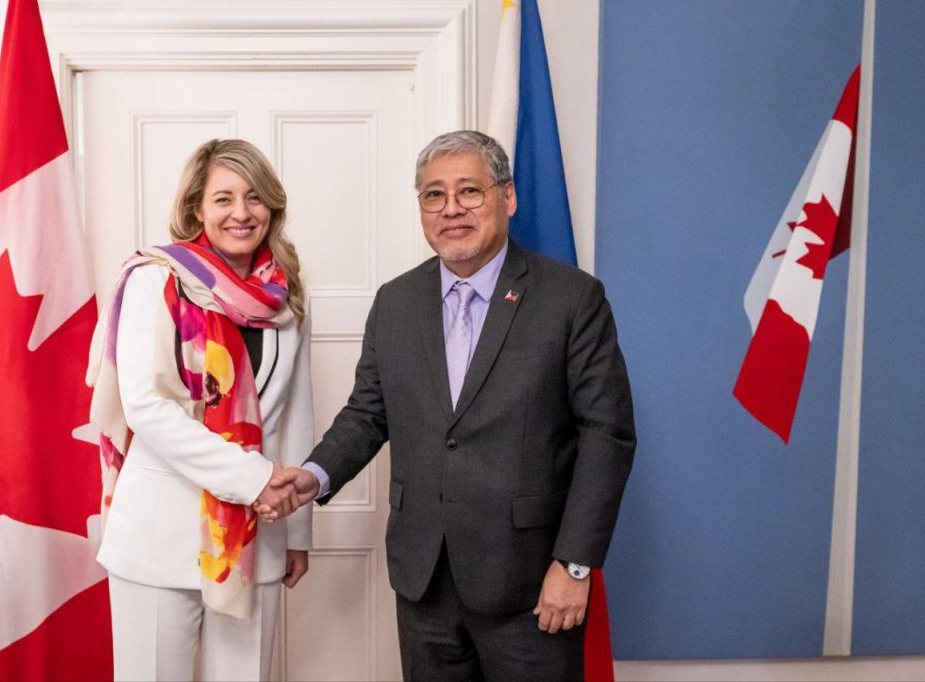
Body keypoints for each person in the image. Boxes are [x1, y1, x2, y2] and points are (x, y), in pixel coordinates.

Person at [262, 130, 636, 680]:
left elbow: (606, 436)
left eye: (469, 191)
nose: (451, 208)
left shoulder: (571, 298)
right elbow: (368, 413)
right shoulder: (396, 302)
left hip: (532, 583)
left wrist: (574, 565)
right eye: (434, 195)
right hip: (425, 581)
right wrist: (314, 475)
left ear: (507, 197)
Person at [87, 138, 312, 682]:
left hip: (258, 536)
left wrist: (298, 532)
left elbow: (294, 414)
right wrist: (255, 480)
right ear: (196, 208)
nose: (242, 212)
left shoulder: (284, 296)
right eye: (224, 198)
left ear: (272, 207)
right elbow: (146, 408)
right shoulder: (154, 279)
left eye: (255, 197)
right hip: (158, 539)